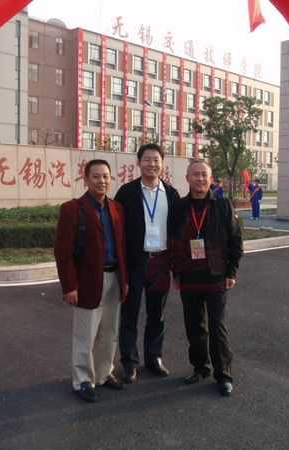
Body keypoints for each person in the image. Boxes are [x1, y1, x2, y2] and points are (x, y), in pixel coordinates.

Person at [54, 159, 129, 403]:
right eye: (96, 176)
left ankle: (104, 373)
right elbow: (63, 252)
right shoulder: (72, 209)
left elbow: (121, 247)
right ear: (85, 179)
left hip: (115, 277)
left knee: (110, 332)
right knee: (85, 335)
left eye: (106, 176)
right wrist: (69, 286)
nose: (102, 181)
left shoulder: (116, 208)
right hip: (87, 282)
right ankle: (83, 380)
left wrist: (125, 280)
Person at [170, 160, 243, 397]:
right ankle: (200, 367)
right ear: (187, 178)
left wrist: (231, 272)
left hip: (215, 275)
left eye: (204, 174)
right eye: (195, 174)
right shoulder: (179, 207)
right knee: (194, 326)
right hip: (189, 275)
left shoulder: (222, 205)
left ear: (210, 179)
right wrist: (176, 272)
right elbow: (173, 241)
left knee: (217, 325)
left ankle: (224, 374)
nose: (200, 179)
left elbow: (236, 240)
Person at [114, 143, 180, 384]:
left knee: (157, 315)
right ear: (139, 163)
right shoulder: (127, 192)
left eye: (156, 160)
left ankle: (154, 358)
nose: (152, 164)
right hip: (135, 263)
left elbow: (178, 231)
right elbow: (118, 230)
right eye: (147, 159)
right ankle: (129, 362)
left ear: (162, 164)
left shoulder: (171, 194)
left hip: (160, 262)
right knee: (129, 314)